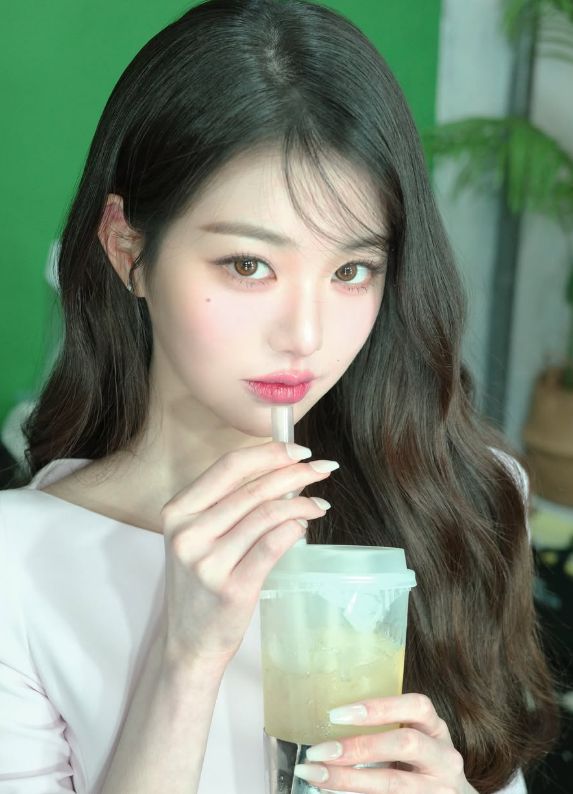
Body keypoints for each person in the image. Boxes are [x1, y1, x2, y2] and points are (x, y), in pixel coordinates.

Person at [0, 1, 560, 792]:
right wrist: (185, 657)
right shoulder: (19, 566)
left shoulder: (461, 502)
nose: (304, 334)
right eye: (247, 265)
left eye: (351, 271)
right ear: (127, 248)